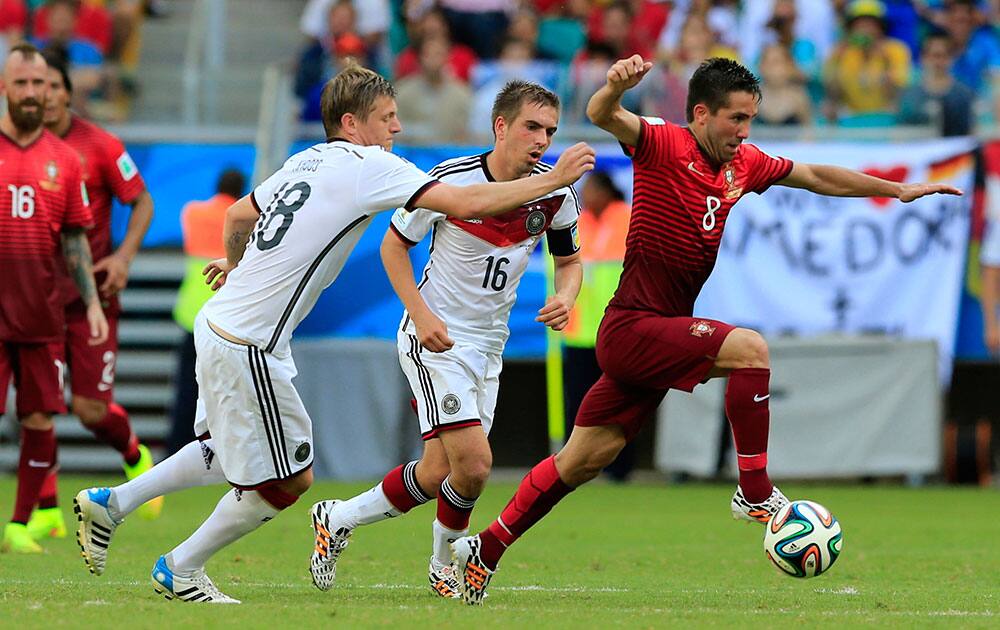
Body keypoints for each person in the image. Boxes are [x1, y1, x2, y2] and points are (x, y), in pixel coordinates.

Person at [447, 54, 962, 605]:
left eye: (750, 119)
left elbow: (813, 176)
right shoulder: (663, 143)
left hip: (657, 332)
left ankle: (486, 551)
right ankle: (756, 494)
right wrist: (613, 89)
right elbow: (604, 114)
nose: (744, 132)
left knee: (582, 458)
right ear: (701, 113)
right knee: (750, 350)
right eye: (735, 119)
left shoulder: (745, 164)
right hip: (633, 326)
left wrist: (894, 189)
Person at [72, 64, 595, 603]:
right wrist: (556, 178)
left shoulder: (307, 158)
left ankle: (114, 502)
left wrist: (240, 271)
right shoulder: (369, 166)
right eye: (387, 119)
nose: (396, 131)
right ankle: (181, 568)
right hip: (251, 341)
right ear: (352, 124)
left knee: (222, 452)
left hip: (226, 325)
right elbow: (463, 204)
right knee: (288, 481)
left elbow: (237, 217)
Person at [307, 79, 582, 598]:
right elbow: (393, 249)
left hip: (491, 346)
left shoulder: (555, 194)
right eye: (531, 127)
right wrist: (421, 313)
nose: (542, 140)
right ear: (500, 126)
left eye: (549, 130)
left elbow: (569, 261)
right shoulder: (448, 181)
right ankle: (445, 566)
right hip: (436, 339)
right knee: (475, 464)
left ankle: (337, 517)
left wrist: (568, 296)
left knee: (440, 472)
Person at [22, 52, 155, 542]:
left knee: (89, 410)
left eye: (53, 85)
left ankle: (135, 455)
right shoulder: (15, 148)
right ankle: (44, 512)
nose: (45, 94)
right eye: (36, 85)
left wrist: (122, 257)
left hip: (90, 299)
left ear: (65, 90)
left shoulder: (98, 145)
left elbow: (141, 200)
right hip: (33, 300)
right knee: (39, 405)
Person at [0, 43, 108, 554]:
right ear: (5, 86)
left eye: (38, 84)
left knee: (40, 418)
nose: (30, 93)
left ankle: (21, 524)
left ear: (51, 91)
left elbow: (73, 238)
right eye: (20, 83)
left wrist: (89, 303)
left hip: (42, 314)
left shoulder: (65, 161)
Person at [167, 168, 246, 456]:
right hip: (226, 316)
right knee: (223, 391)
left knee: (186, 388)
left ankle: (177, 449)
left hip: (190, 312)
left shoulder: (193, 212)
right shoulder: (243, 218)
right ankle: (217, 452)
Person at [561, 172, 633, 481]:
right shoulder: (578, 222)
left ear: (606, 191)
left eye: (589, 189)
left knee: (619, 404)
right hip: (579, 331)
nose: (585, 195)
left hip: (618, 330)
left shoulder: (628, 218)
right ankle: (570, 467)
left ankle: (619, 468)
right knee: (577, 403)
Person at [898, 33, 975, 137]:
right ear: (923, 58)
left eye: (944, 56)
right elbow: (902, 132)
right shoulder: (910, 95)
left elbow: (971, 132)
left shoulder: (963, 93)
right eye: (935, 56)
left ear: (951, 59)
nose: (939, 62)